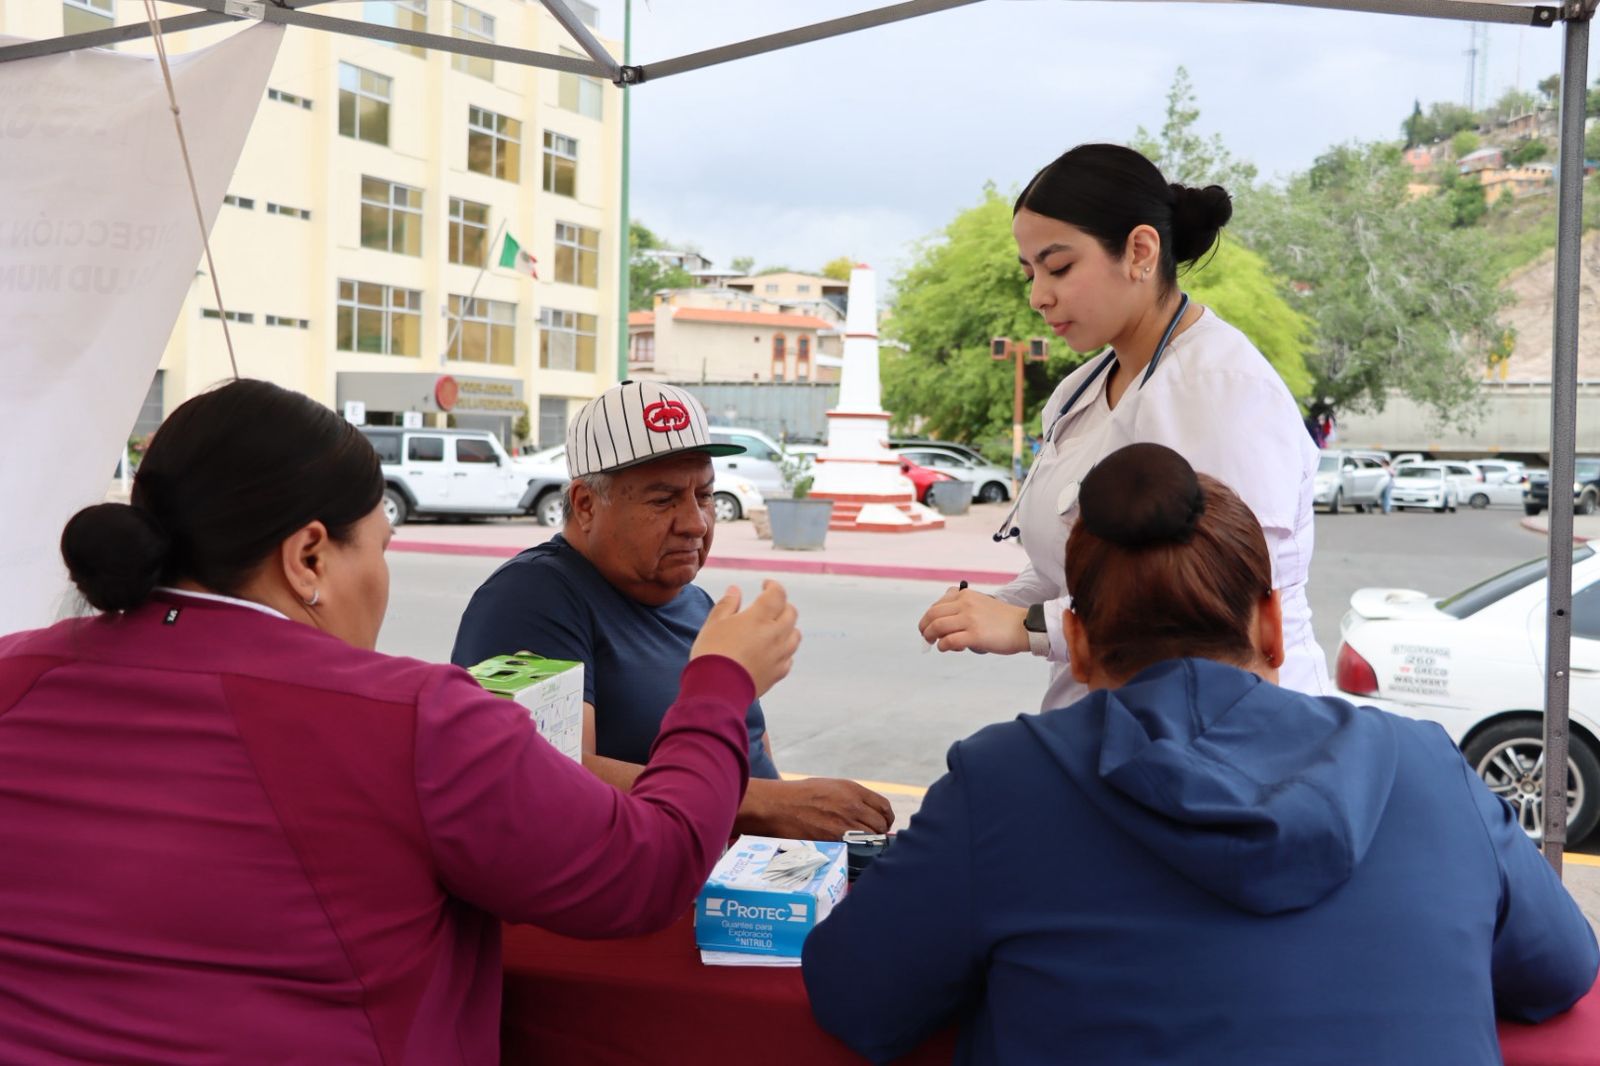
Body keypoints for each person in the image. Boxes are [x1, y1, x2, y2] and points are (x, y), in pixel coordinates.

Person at [0, 379, 801, 1065]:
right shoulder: (414, 717)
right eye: (380, 548)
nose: (694, 520)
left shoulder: (14, 677)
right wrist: (718, 685)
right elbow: (645, 872)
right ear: (310, 557)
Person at [805, 443, 1598, 1065]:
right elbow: (1559, 970)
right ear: (1271, 626)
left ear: (1075, 645)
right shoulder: (1427, 767)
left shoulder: (1005, 784)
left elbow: (858, 998)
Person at [917, 143, 1330, 710]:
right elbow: (1074, 566)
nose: (1039, 296)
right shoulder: (1079, 390)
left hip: (1221, 727)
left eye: (1059, 267)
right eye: (1030, 272)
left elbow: (1216, 600)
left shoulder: (1220, 389)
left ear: (1140, 250)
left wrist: (1025, 626)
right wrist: (993, 603)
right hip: (1111, 718)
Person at [453, 381, 894, 841]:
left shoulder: (700, 604)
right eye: (663, 500)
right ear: (586, 504)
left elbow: (751, 741)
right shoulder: (533, 597)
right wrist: (770, 806)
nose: (695, 523)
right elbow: (551, 774)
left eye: (703, 496)